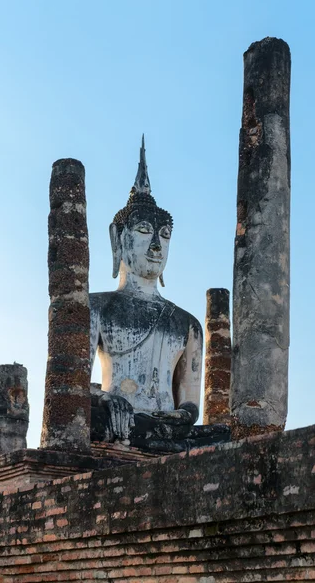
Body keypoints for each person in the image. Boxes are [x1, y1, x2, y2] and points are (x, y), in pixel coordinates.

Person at [90, 137, 202, 444]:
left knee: (218, 435)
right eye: (143, 231)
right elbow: (75, 385)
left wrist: (184, 416)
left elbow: (190, 402)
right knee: (92, 421)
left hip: (164, 426)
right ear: (118, 239)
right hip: (117, 420)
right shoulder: (96, 307)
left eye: (164, 236)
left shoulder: (187, 324)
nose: (156, 245)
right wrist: (104, 399)